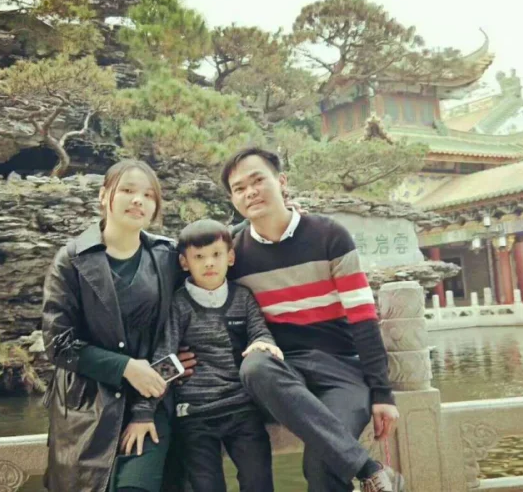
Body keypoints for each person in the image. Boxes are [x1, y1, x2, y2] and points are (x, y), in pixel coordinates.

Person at [180, 147, 406, 492]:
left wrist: (382, 393)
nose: (250, 192)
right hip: (282, 370)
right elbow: (190, 287)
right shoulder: (233, 254)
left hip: (341, 369)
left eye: (258, 181)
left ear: (281, 181)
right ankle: (369, 468)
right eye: (239, 188)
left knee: (323, 465)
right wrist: (178, 351)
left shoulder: (330, 235)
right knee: (255, 366)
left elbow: (363, 318)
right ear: (233, 199)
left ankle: (361, 468)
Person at [40, 159, 180, 492]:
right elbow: (58, 343)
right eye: (128, 190)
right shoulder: (71, 259)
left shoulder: (167, 256)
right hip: (86, 407)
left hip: (150, 399)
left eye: (148, 195)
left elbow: (213, 267)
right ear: (104, 196)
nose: (138, 200)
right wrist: (126, 367)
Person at [143, 219, 281, 492]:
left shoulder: (242, 297)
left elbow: (260, 333)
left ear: (230, 257)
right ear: (184, 263)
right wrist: (143, 412)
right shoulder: (179, 305)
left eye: (216, 254)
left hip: (242, 409)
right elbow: (164, 356)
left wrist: (264, 343)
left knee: (258, 481)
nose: (209, 263)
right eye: (199, 257)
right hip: (194, 414)